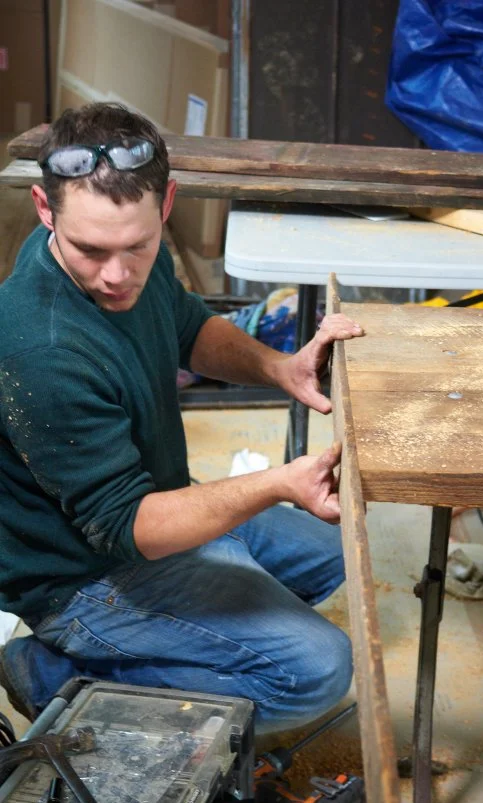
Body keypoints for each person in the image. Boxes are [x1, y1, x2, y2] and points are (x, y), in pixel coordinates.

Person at [0, 103, 362, 731]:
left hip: (155, 507)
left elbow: (187, 325)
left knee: (337, 555)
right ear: (43, 209)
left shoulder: (128, 250)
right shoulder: (41, 349)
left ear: (164, 206)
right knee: (318, 669)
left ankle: (195, 630)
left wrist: (283, 367)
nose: (116, 275)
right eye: (90, 250)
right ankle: (55, 674)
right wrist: (277, 483)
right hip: (83, 575)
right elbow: (127, 527)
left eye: (136, 247)